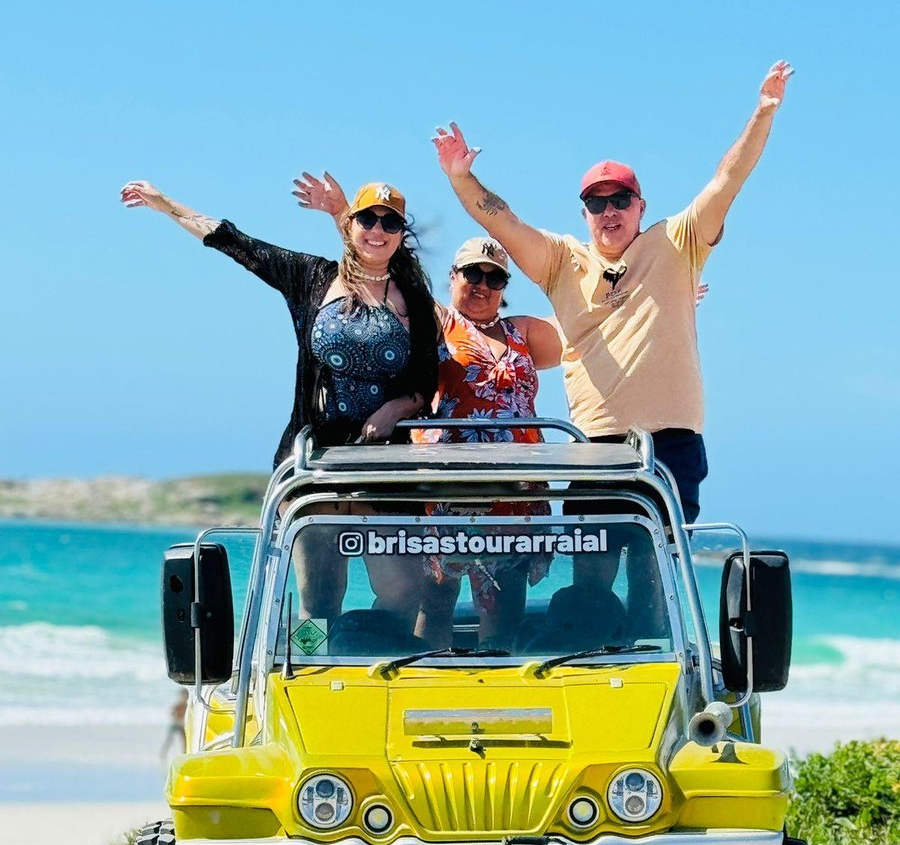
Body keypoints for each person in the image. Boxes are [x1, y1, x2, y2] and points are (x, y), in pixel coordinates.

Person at [432, 60, 794, 523]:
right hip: (595, 443)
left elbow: (728, 179)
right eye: (596, 202)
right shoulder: (562, 261)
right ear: (584, 213)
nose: (609, 211)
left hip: (672, 440)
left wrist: (764, 111)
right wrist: (461, 178)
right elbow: (503, 223)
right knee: (592, 576)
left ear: (640, 206)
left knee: (660, 563)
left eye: (620, 200)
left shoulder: (677, 242)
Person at [120, 179, 439, 624]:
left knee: (404, 592)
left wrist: (396, 409)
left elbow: (428, 381)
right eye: (368, 218)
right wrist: (165, 204)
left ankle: (368, 655)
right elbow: (235, 243)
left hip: (382, 468)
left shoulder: (418, 303)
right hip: (316, 462)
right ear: (351, 225)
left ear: (402, 234)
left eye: (390, 222)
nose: (378, 229)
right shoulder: (311, 277)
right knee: (320, 598)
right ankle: (321, 679)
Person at [293, 173, 562, 647]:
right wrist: (343, 215)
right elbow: (378, 256)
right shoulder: (431, 317)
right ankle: (313, 657)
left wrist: (660, 299)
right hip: (442, 487)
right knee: (347, 598)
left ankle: (491, 694)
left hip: (516, 493)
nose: (481, 284)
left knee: (502, 607)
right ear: (452, 277)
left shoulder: (524, 331)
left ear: (504, 286)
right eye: (471, 273)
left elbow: (587, 329)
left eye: (493, 276)